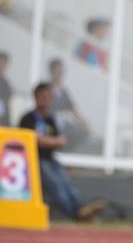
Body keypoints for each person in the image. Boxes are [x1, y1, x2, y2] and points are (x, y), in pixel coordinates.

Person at [19, 83, 104, 221]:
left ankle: (82, 208)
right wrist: (46, 141)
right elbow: (31, 141)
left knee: (66, 183)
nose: (46, 100)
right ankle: (75, 214)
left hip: (50, 158)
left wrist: (44, 140)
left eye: (48, 97)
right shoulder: (27, 118)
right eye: (43, 97)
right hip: (34, 160)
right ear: (35, 97)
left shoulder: (50, 119)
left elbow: (61, 140)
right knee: (55, 185)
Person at [48, 58, 90, 150]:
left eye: (61, 71)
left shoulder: (63, 92)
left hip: (64, 125)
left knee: (80, 134)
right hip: (50, 126)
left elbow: (73, 109)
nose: (60, 74)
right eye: (57, 71)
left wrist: (85, 124)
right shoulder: (46, 90)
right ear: (52, 71)